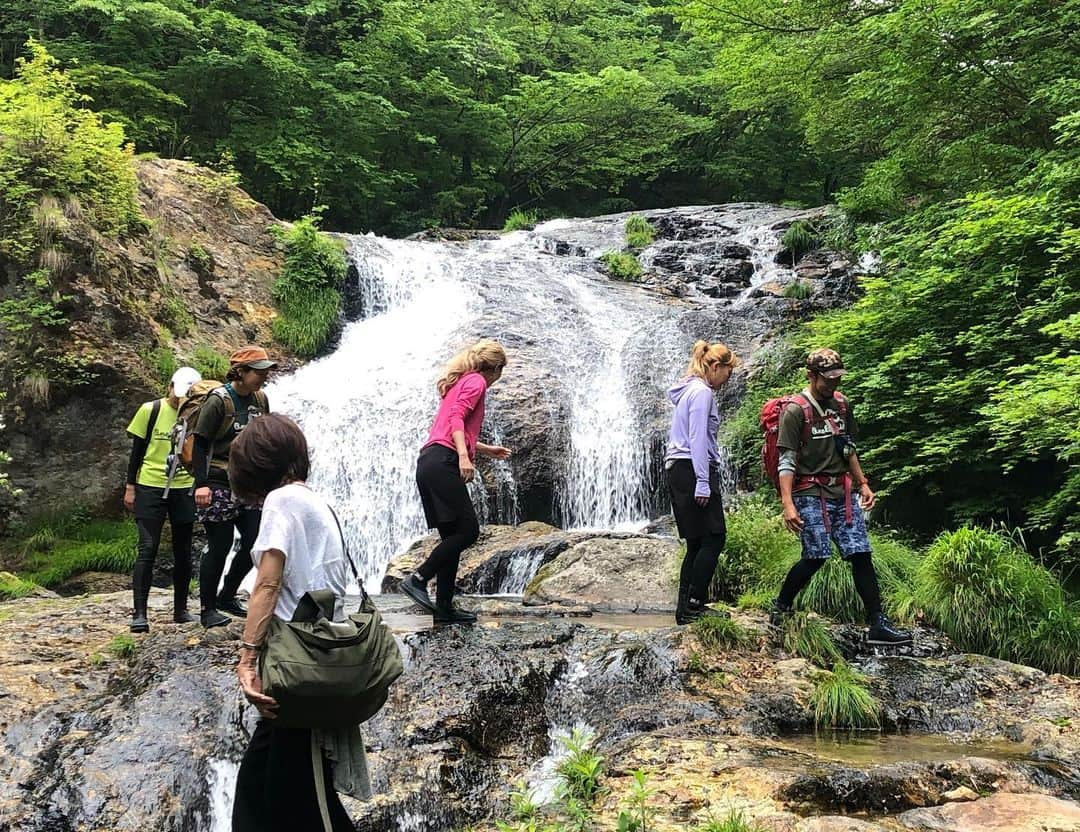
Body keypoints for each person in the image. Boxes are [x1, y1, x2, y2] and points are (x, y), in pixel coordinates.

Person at [229, 414, 369, 832]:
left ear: (257, 462)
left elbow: (267, 583)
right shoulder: (316, 502)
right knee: (258, 789)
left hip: (301, 666)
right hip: (307, 658)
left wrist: (248, 657)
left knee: (307, 801)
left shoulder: (282, 501)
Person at [770, 348, 911, 645]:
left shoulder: (842, 405)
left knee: (861, 554)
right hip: (810, 492)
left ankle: (878, 623)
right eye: (827, 379)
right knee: (816, 556)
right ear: (811, 376)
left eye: (837, 378)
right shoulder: (795, 411)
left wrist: (862, 483)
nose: (833, 384)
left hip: (842, 492)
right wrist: (788, 504)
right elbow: (786, 460)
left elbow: (847, 447)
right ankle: (780, 606)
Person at [399, 339, 511, 624]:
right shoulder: (476, 382)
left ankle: (444, 608)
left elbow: (450, 425)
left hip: (430, 461)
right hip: (444, 461)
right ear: (495, 368)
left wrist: (484, 450)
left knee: (452, 536)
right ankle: (419, 578)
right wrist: (464, 456)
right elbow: (457, 419)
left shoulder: (460, 382)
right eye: (501, 372)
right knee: (469, 530)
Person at [192, 346, 275, 628]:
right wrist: (200, 484)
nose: (263, 377)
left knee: (255, 542)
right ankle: (207, 609)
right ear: (241, 372)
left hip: (248, 482)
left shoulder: (261, 399)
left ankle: (227, 595)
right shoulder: (219, 401)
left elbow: (263, 439)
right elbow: (200, 443)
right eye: (258, 372)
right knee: (220, 544)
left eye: (265, 371)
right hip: (217, 480)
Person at [665, 340, 739, 624]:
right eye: (728, 373)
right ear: (715, 367)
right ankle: (695, 604)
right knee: (715, 537)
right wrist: (703, 482)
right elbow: (697, 438)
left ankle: (685, 610)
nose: (728, 379)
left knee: (697, 542)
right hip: (692, 467)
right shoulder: (701, 392)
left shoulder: (688, 391)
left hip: (680, 468)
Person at [124, 366, 203, 632]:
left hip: (183, 487)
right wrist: (130, 486)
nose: (180, 399)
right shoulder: (151, 410)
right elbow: (136, 452)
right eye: (177, 392)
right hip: (150, 486)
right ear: (169, 386)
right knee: (148, 547)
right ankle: (139, 614)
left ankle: (181, 610)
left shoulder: (199, 414)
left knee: (183, 549)